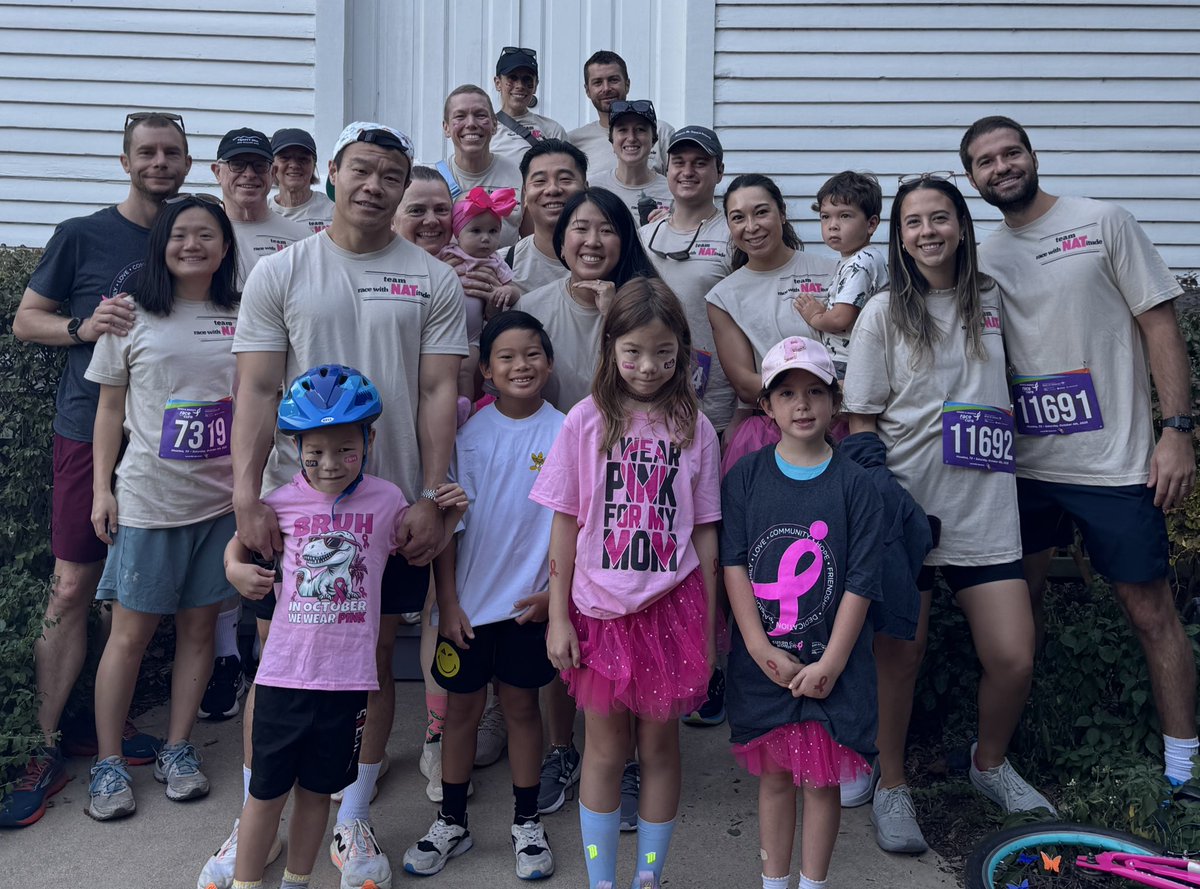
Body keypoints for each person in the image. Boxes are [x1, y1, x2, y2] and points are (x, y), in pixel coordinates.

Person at [201, 122, 467, 889]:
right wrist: (247, 497)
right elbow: (253, 387)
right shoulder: (281, 272)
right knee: (278, 670)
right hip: (295, 512)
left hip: (390, 513)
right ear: (332, 177)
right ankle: (259, 811)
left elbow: (437, 389)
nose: (376, 184)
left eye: (392, 172)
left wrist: (429, 494)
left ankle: (350, 811)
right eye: (362, 169)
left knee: (372, 662)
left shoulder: (432, 278)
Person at [960, 116, 1199, 792]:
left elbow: (1159, 321)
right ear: (973, 180)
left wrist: (1177, 428)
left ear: (1033, 156)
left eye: (1011, 152)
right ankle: (1008, 753)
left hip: (1114, 463)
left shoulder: (1103, 221)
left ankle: (1184, 769)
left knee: (1151, 609)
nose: (1001, 166)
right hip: (1023, 468)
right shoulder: (981, 256)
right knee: (1018, 609)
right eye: (985, 161)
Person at [842, 175, 1054, 855]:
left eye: (940, 218)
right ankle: (893, 780)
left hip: (986, 514)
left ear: (962, 226)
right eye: (913, 222)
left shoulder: (993, 301)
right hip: (909, 515)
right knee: (899, 658)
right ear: (898, 237)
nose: (928, 231)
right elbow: (861, 419)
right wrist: (887, 497)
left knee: (1013, 656)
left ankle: (988, 762)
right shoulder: (881, 313)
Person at [4, 110, 189, 829]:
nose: (160, 162)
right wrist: (82, 328)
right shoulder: (82, 234)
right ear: (125, 161)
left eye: (172, 151)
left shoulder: (196, 232)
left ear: (186, 161)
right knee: (75, 582)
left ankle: (99, 728)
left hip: (170, 445)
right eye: (147, 151)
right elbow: (27, 319)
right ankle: (44, 745)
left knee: (134, 596)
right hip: (88, 431)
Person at [213, 365, 465, 889]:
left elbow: (419, 543)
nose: (330, 465)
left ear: (369, 439)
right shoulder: (279, 504)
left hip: (349, 683)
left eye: (346, 450)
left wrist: (447, 514)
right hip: (284, 677)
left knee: (316, 796)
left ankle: (296, 881)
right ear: (297, 447)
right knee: (264, 796)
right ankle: (245, 883)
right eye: (316, 452)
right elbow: (236, 546)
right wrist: (236, 569)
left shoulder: (387, 498)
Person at [532, 278, 721, 889]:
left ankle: (648, 877)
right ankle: (602, 881)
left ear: (683, 351)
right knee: (605, 751)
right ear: (610, 346)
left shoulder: (698, 428)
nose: (649, 367)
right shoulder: (585, 421)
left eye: (665, 354)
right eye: (634, 351)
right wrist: (558, 616)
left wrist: (711, 626)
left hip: (673, 609)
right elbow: (565, 524)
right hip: (598, 612)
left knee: (661, 749)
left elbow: (707, 535)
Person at [83, 194, 240, 820]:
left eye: (207, 235)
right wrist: (103, 489)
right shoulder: (130, 317)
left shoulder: (243, 311)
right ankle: (107, 763)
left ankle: (178, 748)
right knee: (131, 635)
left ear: (225, 247)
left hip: (221, 503)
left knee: (200, 630)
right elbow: (109, 411)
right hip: (151, 500)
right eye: (181, 235)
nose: (193, 245)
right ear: (161, 245)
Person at [403, 312, 565, 879]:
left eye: (532, 354)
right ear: (487, 371)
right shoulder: (466, 437)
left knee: (522, 709)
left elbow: (575, 527)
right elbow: (451, 528)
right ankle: (452, 820)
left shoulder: (567, 432)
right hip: (467, 610)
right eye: (506, 357)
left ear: (548, 361)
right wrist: (446, 602)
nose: (520, 365)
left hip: (530, 608)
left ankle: (527, 823)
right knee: (461, 714)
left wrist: (554, 597)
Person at [722, 335, 883, 889]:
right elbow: (735, 564)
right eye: (787, 393)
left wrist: (832, 664)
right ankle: (774, 882)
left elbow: (862, 580)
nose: (802, 405)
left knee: (821, 782)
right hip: (765, 663)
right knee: (773, 780)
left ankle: (813, 883)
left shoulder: (857, 485)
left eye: (815, 391)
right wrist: (759, 648)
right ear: (766, 406)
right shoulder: (744, 478)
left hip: (832, 667)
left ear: (835, 400)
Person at [520, 188, 659, 824]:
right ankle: (561, 746)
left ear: (624, 239)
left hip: (633, 495)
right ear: (560, 236)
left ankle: (625, 759)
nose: (592, 241)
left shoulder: (647, 303)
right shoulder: (534, 306)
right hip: (557, 490)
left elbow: (654, 381)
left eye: (606, 229)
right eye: (579, 228)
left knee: (625, 629)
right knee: (559, 619)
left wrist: (612, 317)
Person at [391, 165, 518, 791]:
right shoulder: (386, 278)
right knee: (426, 597)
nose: (433, 221)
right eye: (417, 209)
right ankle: (439, 722)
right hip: (401, 442)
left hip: (473, 433)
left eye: (441, 209)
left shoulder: (475, 266)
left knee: (470, 579)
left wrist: (496, 292)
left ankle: (484, 709)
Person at [705, 174, 836, 469]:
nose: (751, 227)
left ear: (783, 213)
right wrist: (814, 395)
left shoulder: (833, 273)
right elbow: (746, 385)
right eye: (738, 218)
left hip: (836, 427)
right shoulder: (723, 297)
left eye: (761, 212)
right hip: (767, 435)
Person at [639, 126, 734, 434]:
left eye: (700, 162)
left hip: (716, 405)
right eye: (679, 162)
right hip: (650, 398)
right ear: (667, 169)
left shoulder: (736, 236)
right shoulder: (645, 236)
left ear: (720, 172)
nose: (688, 171)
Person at [793, 171, 887, 381]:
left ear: (871, 224)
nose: (832, 225)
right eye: (825, 216)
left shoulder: (859, 264)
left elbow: (840, 319)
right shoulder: (862, 258)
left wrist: (815, 316)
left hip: (850, 361)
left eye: (845, 216)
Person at [212, 127, 310, 286]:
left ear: (273, 173)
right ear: (217, 172)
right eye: (237, 164)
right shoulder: (200, 236)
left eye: (259, 165)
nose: (249, 174)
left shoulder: (302, 240)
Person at [437, 85, 525, 248]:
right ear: (446, 127)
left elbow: (531, 240)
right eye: (460, 116)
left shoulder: (516, 174)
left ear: (494, 125)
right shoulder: (436, 180)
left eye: (480, 115)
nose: (471, 123)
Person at [567, 50, 676, 176]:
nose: (606, 88)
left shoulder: (661, 131)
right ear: (587, 91)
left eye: (613, 80)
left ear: (627, 84)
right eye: (598, 82)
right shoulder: (574, 141)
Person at [508, 140, 588, 295]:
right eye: (539, 181)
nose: (552, 189)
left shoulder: (610, 260)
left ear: (586, 188)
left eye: (565, 179)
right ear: (524, 194)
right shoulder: (502, 265)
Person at [587, 101, 672, 225]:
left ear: (653, 139)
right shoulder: (593, 187)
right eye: (622, 130)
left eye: (640, 129)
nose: (631, 138)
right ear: (612, 139)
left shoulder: (671, 191)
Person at [490, 47, 568, 167]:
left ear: (536, 85)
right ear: (498, 83)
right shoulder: (485, 129)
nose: (520, 86)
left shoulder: (552, 129)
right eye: (512, 78)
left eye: (527, 79)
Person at [268, 127, 335, 234]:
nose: (294, 165)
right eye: (285, 157)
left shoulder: (333, 212)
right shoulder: (263, 213)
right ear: (272, 165)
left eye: (303, 158)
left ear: (313, 166)